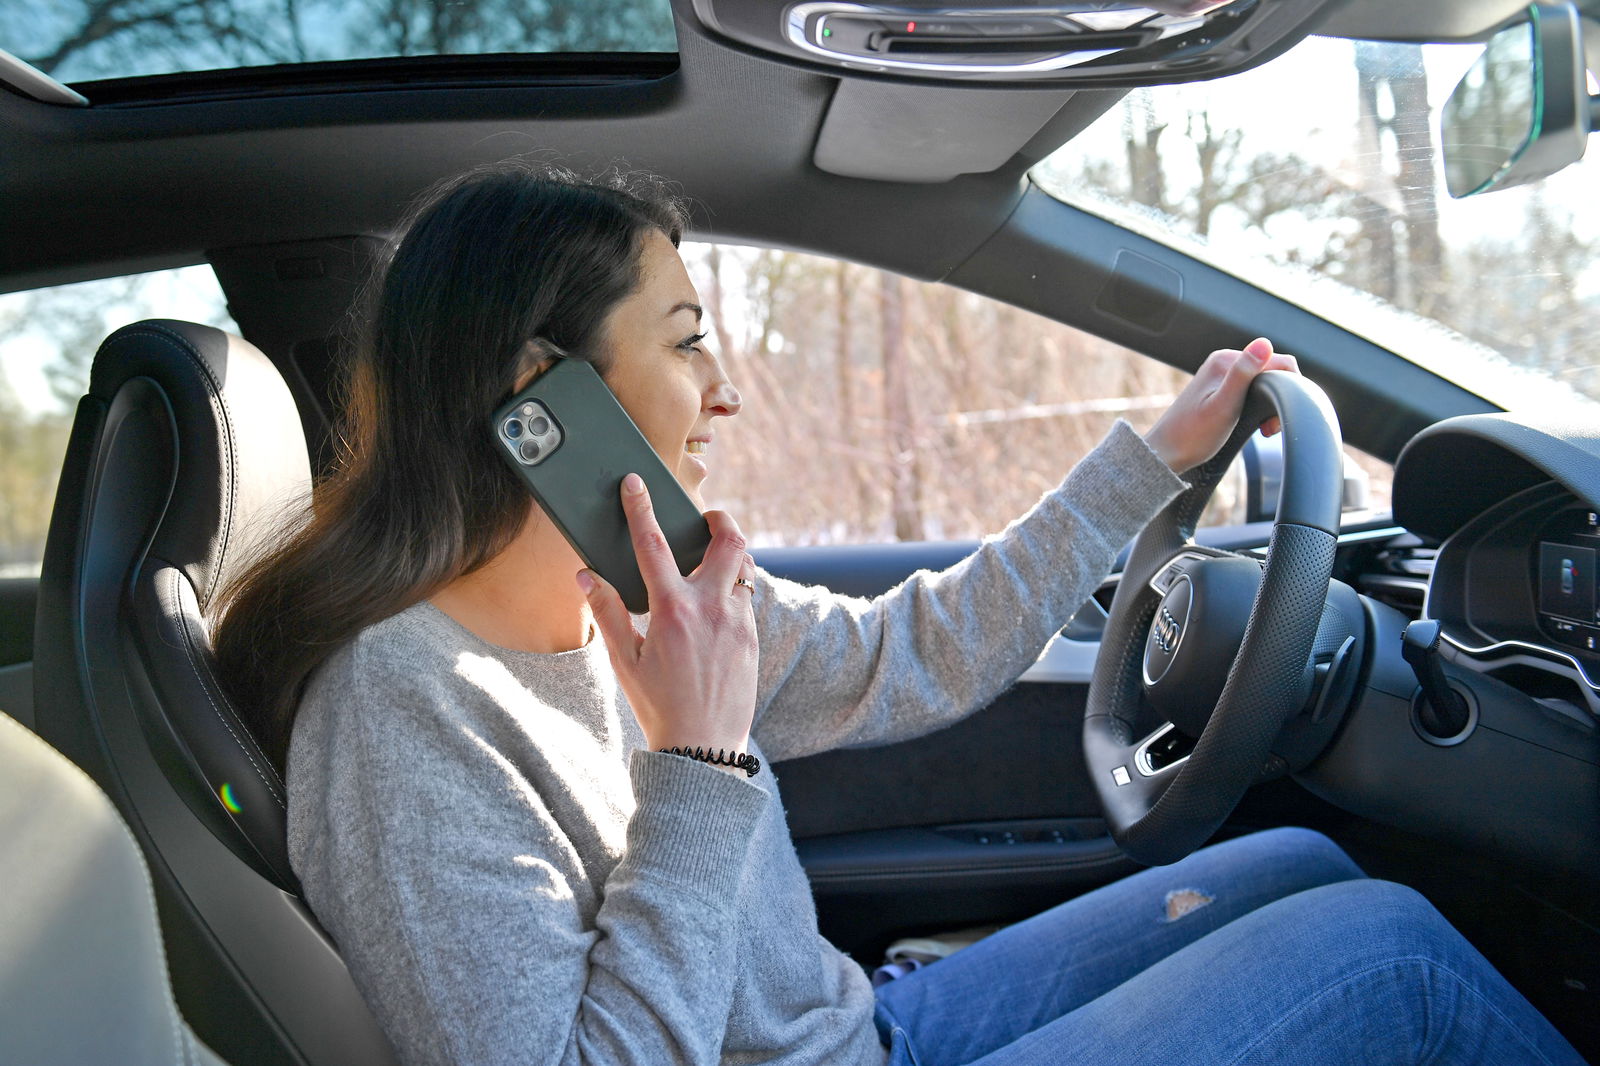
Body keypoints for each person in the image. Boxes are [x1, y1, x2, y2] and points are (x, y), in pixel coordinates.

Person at [214, 163, 1584, 1066]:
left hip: (869, 1030)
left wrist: (1148, 464)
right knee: (1391, 957)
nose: (727, 391)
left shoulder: (648, 597)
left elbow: (917, 651)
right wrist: (697, 759)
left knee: (1306, 868)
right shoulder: (402, 712)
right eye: (688, 340)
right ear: (542, 399)